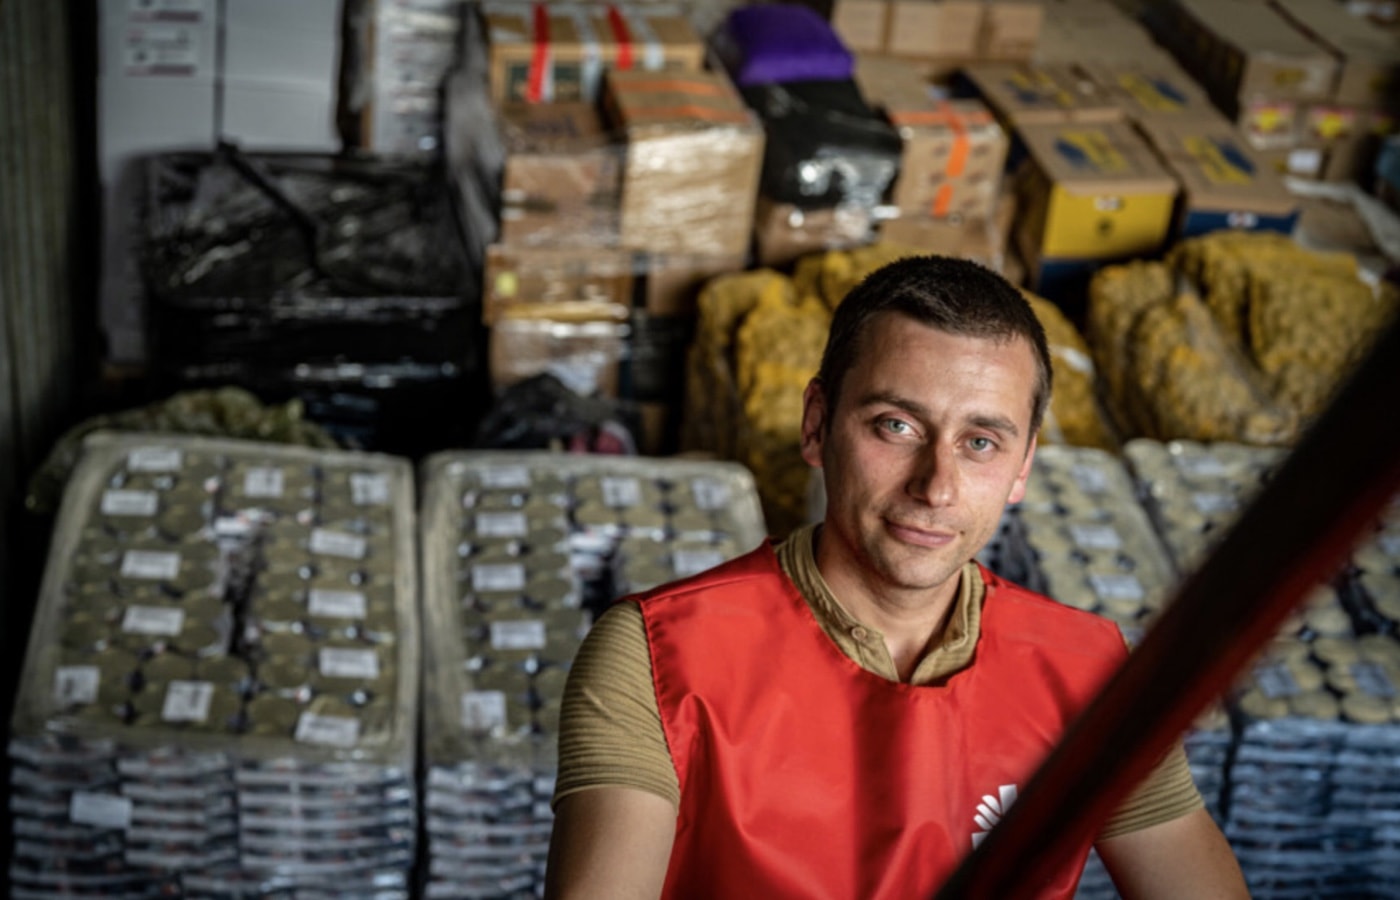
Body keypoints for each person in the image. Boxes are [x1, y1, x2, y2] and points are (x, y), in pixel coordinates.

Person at [543, 256, 1249, 899]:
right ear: (817, 426)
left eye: (980, 443)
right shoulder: (659, 659)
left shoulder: (1088, 675)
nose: (937, 486)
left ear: (1023, 468)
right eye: (896, 427)